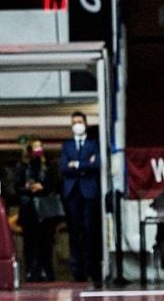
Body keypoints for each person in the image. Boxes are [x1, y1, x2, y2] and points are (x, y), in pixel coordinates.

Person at [60, 112, 102, 284]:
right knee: (74, 232)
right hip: (72, 193)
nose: (77, 124)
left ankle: (93, 269)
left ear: (85, 123)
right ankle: (77, 271)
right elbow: (63, 167)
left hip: (89, 192)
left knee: (90, 231)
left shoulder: (94, 144)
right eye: (74, 122)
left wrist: (76, 164)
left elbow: (97, 164)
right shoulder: (67, 145)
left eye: (80, 121)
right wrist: (85, 166)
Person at [14, 137, 58, 282]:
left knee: (46, 242)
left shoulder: (47, 166)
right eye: (35, 147)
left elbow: (54, 185)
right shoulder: (22, 167)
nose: (38, 149)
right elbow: (16, 188)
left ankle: (47, 271)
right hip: (29, 208)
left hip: (45, 209)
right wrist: (28, 188)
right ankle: (31, 271)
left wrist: (43, 187)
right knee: (30, 243)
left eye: (40, 146)